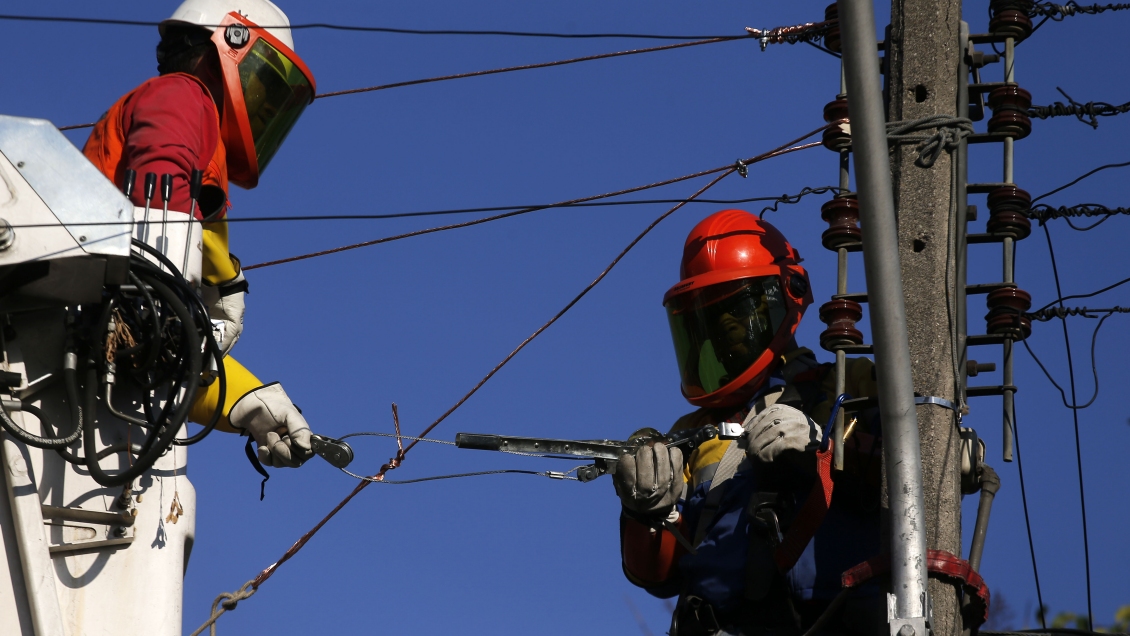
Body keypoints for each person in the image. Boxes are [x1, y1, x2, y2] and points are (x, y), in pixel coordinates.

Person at [613, 210, 885, 636]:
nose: (723, 326)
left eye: (734, 307)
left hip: (831, 620)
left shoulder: (850, 386)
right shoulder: (690, 432)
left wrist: (825, 449)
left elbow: (927, 480)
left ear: (783, 298)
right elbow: (658, 576)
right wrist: (644, 513)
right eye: (708, 316)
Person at [82, 0, 317, 468]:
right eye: (264, 84)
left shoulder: (203, 157)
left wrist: (249, 401)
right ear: (228, 46)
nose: (265, 104)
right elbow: (159, 181)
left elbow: (156, 360)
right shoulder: (184, 95)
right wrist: (166, 291)